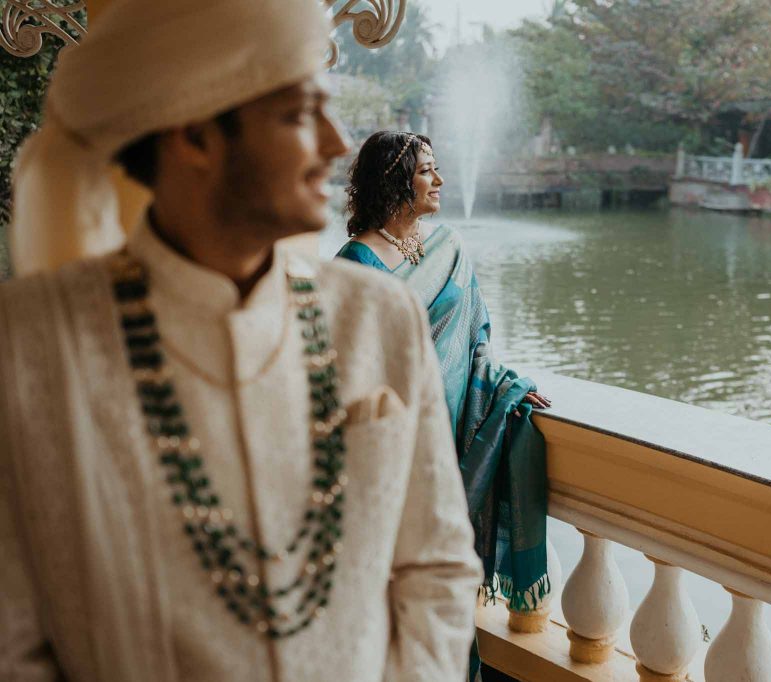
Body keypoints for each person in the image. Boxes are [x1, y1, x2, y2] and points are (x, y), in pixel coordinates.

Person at [0, 2, 482, 681]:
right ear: (195, 135)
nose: (337, 143)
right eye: (298, 114)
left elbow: (438, 571)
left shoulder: (379, 319)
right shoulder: (27, 347)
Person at [337, 131, 552, 680]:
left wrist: (504, 387)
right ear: (393, 180)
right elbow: (345, 370)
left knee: (447, 593)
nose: (439, 180)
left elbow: (476, 338)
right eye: (427, 170)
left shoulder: (448, 247)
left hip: (453, 435)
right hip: (391, 454)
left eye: (436, 169)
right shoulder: (355, 263)